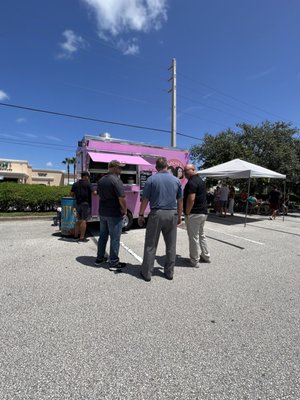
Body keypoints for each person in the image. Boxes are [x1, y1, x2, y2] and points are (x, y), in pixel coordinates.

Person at [138, 157, 183, 282]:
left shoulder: (151, 179)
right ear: (167, 166)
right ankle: (169, 272)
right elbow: (180, 200)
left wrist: (141, 214)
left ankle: (147, 273)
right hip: (172, 213)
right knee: (171, 244)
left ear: (156, 167)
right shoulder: (176, 180)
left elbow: (145, 199)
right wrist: (179, 215)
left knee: (151, 244)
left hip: (156, 213)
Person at [95, 160, 127, 271]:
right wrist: (125, 210)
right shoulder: (116, 180)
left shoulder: (101, 180)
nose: (121, 170)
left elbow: (99, 195)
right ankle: (113, 262)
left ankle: (99, 258)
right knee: (115, 238)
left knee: (103, 236)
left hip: (103, 212)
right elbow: (121, 198)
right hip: (114, 213)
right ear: (113, 168)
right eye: (119, 167)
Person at [184, 164, 211, 267]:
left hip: (194, 213)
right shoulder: (201, 181)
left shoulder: (192, 182)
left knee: (193, 237)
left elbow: (191, 199)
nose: (185, 173)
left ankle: (194, 260)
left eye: (187, 171)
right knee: (201, 235)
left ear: (193, 170)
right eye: (184, 171)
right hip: (203, 212)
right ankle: (206, 256)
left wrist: (186, 212)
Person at [70, 171, 96, 242]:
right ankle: (82, 237)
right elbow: (94, 193)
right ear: (86, 176)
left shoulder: (75, 184)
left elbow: (71, 194)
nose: (88, 178)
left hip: (78, 204)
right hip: (86, 205)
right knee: (84, 221)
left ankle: (75, 236)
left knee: (78, 220)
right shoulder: (88, 184)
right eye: (88, 177)